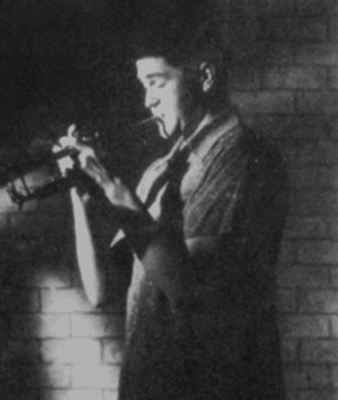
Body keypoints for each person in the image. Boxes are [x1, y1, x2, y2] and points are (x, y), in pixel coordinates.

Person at [53, 26, 287, 400]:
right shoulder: (160, 171)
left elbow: (190, 290)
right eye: (143, 86)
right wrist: (81, 197)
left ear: (205, 77)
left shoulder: (243, 156)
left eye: (157, 83)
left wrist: (109, 184)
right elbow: (100, 290)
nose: (148, 101)